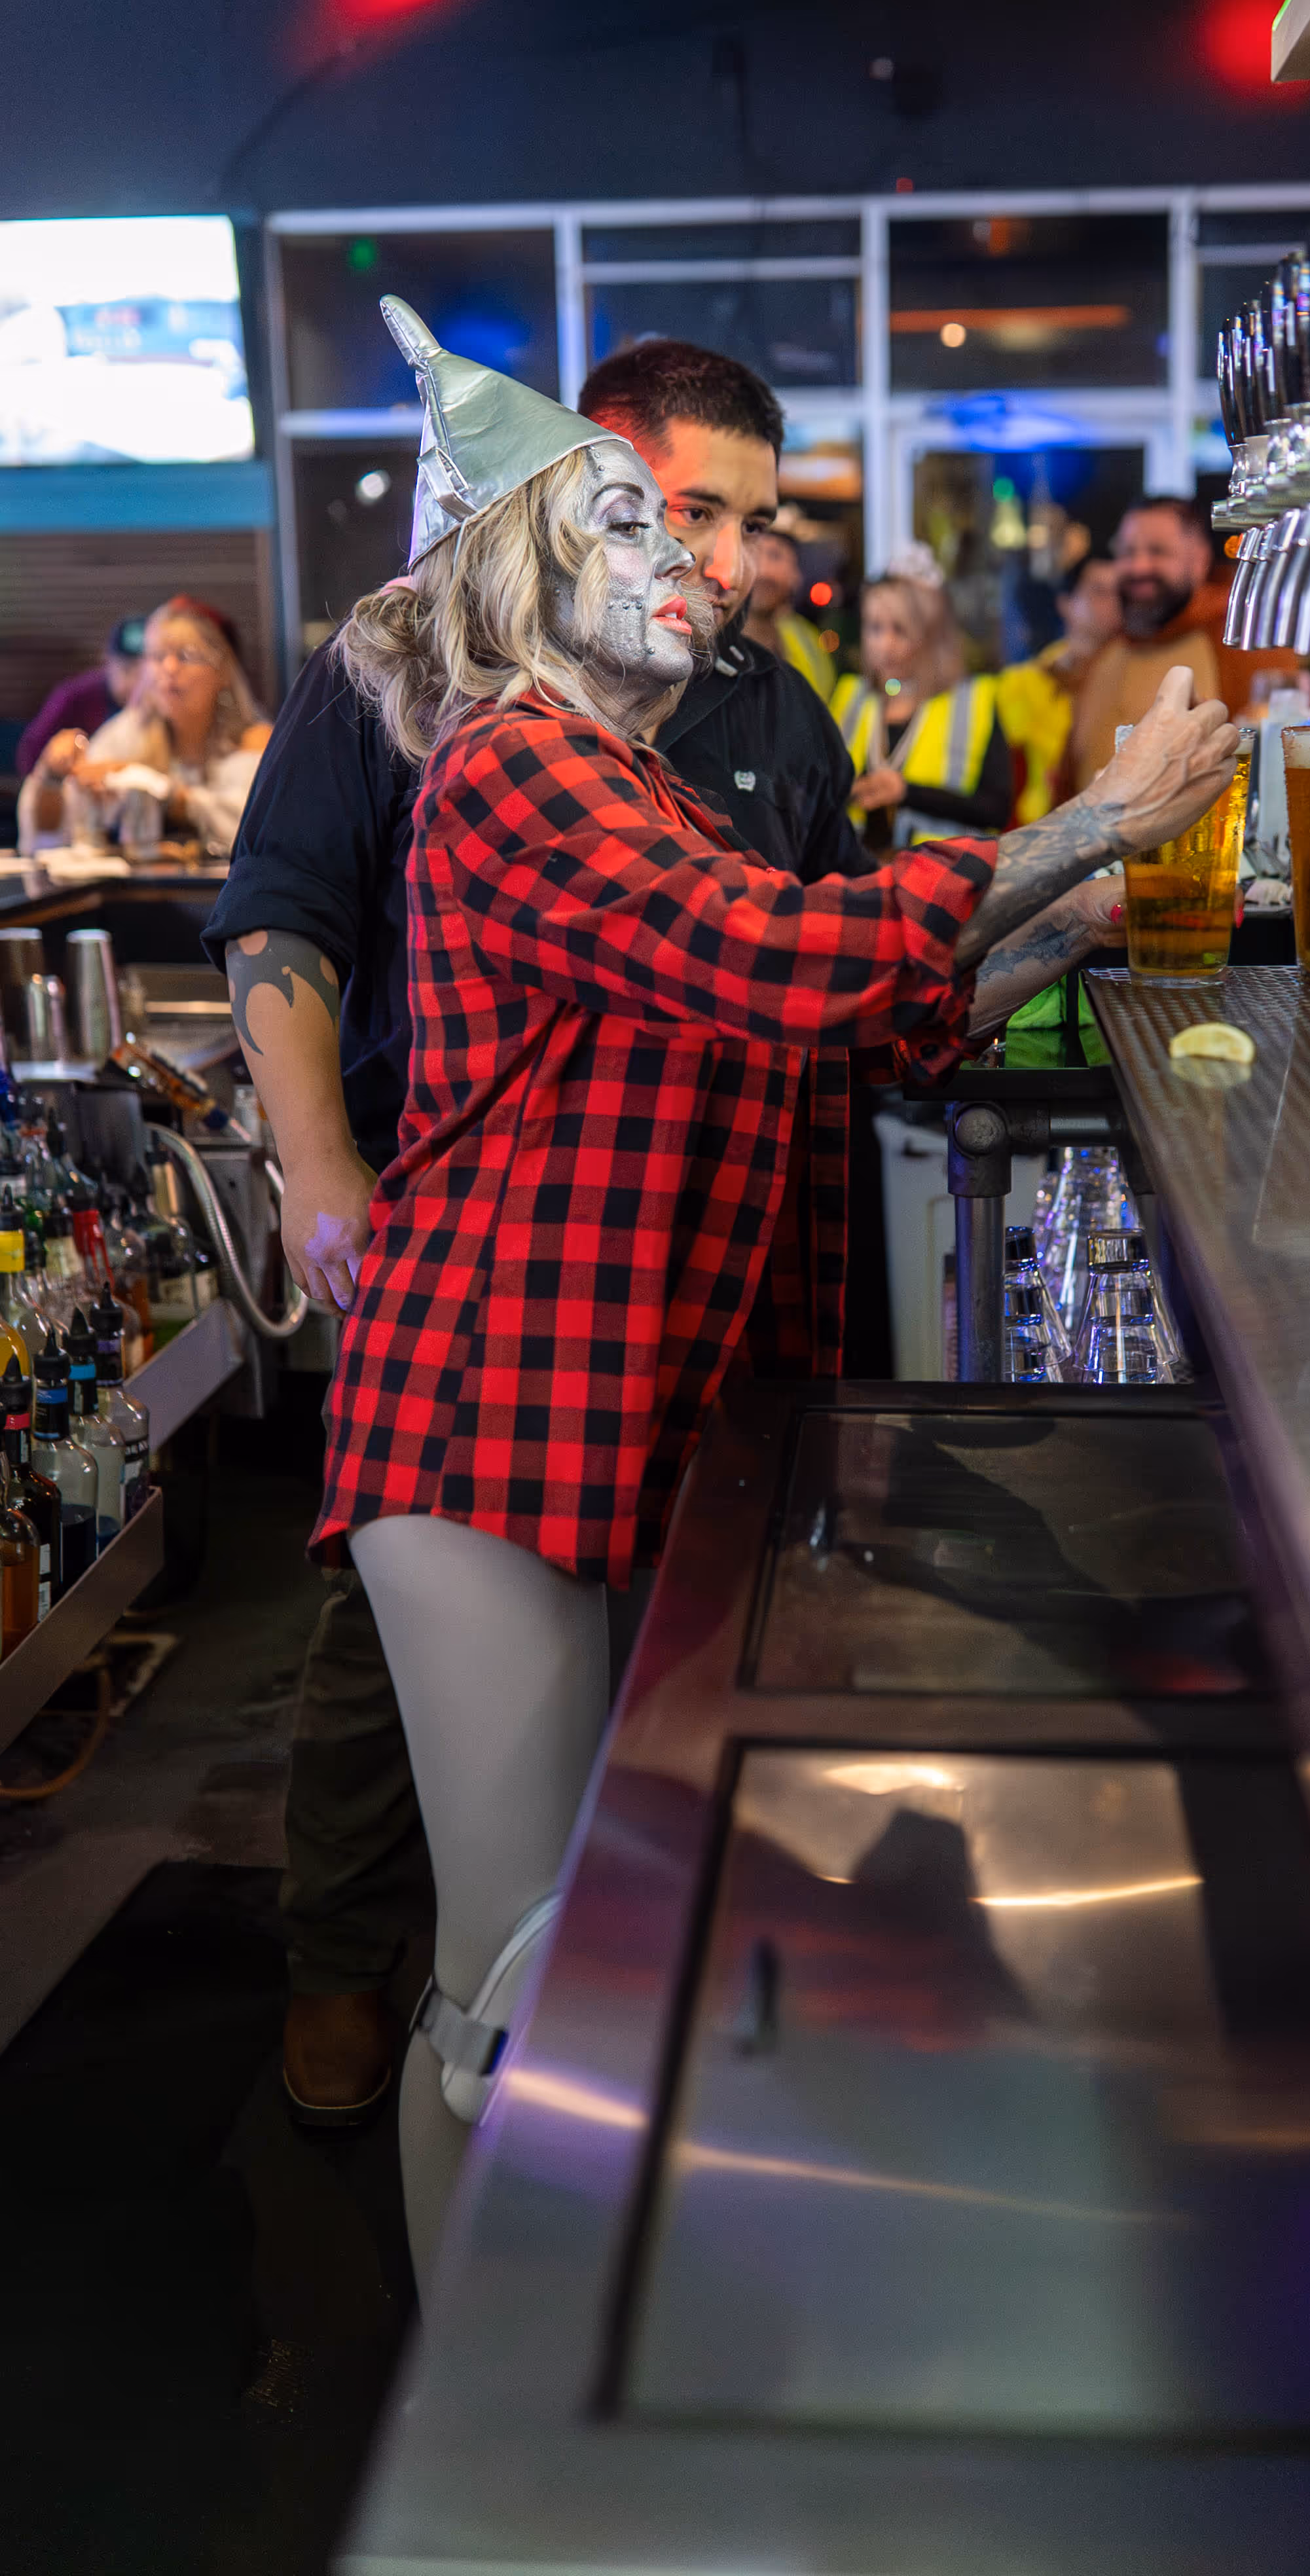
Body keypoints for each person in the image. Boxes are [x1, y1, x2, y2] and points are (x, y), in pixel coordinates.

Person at [301, 300, 1235, 2288]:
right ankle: (464, 2399)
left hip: (605, 1402)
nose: (689, 566)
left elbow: (838, 1021)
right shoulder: (512, 766)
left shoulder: (635, 779)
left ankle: (550, 2338)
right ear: (517, 573)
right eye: (629, 527)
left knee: (581, 1941)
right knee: (508, 1985)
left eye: (691, 529)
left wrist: (1063, 918)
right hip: (483, 1412)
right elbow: (773, 962)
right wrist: (1091, 822)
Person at [208, 336, 881, 2135]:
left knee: (640, 1660)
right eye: (688, 511)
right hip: (487, 1251)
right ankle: (344, 1967)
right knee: (412, 1639)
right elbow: (281, 911)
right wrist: (319, 1163)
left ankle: (597, 2020)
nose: (723, 559)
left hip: (683, 1278)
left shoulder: (766, 706)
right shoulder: (424, 661)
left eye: (751, 522)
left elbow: (825, 945)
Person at [1061, 496, 1303, 795]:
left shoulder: (1243, 646)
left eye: (1158, 551)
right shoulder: (1107, 651)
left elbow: (1272, 775)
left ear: (1199, 561)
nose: (1139, 566)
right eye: (1127, 552)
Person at [19, 594, 270, 856]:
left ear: (224, 671)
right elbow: (55, 833)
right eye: (158, 656)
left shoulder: (253, 740)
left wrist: (162, 792)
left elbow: (251, 827)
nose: (169, 668)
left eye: (186, 655)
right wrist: (52, 776)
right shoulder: (130, 731)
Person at [832, 547, 1011, 851]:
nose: (885, 644)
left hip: (944, 871)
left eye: (900, 630)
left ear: (931, 634)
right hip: (856, 869)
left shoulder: (973, 701)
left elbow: (996, 809)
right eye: (875, 627)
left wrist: (907, 793)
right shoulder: (851, 697)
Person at [996, 553, 1121, 825]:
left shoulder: (1135, 678)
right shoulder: (1025, 683)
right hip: (1042, 828)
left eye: (1120, 592)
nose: (1114, 603)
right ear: (1066, 603)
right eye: (1099, 591)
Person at [15, 617, 146, 778]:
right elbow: (30, 754)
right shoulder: (74, 696)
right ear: (107, 661)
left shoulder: (160, 704)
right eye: (126, 670)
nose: (135, 682)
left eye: (144, 673)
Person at [742, 523, 837, 698]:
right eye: (755, 554)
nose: (763, 570)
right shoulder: (715, 634)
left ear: (797, 576)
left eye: (775, 556)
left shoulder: (807, 641)